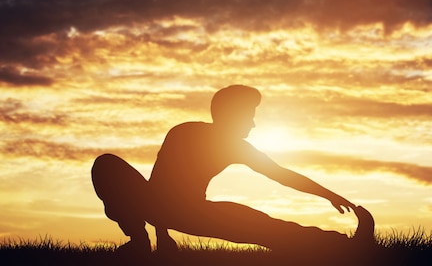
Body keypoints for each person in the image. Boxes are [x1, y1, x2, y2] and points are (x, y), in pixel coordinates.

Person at [91, 84, 375, 255]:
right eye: (249, 116)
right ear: (232, 115)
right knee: (107, 165)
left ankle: (344, 246)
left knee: (265, 227)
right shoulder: (185, 133)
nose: (253, 124)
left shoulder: (233, 146)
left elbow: (282, 175)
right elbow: (163, 185)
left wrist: (328, 194)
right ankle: (138, 241)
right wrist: (161, 237)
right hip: (169, 208)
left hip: (189, 211)